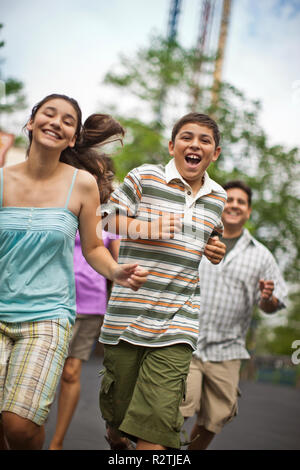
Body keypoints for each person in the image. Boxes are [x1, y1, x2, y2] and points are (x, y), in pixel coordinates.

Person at [0, 93, 148, 450]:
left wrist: (116, 272)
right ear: (32, 122)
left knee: (18, 425)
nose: (56, 122)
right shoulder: (2, 179)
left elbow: (95, 247)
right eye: (49, 114)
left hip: (48, 316)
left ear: (72, 138)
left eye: (67, 120)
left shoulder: (81, 184)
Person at [98, 112, 227, 450]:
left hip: (178, 320)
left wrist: (216, 250)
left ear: (215, 153)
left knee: (154, 428)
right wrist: (146, 228)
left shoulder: (218, 197)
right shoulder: (145, 177)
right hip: (128, 315)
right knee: (118, 422)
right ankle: (114, 436)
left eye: (205, 140)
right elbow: (105, 219)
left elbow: (213, 238)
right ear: (172, 146)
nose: (194, 144)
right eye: (187, 137)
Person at [179, 180, 288, 450]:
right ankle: (159, 452)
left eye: (241, 202)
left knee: (217, 416)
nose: (235, 205)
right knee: (178, 406)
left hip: (227, 349)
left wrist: (268, 298)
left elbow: (273, 304)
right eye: (229, 200)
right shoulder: (197, 237)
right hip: (187, 339)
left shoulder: (261, 256)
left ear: (248, 211)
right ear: (219, 204)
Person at [49, 153, 121, 450]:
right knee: (45, 371)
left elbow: (117, 259)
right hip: (54, 296)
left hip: (90, 303)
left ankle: (56, 442)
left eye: (101, 173)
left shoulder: (110, 214)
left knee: (70, 372)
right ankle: (27, 432)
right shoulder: (64, 199)